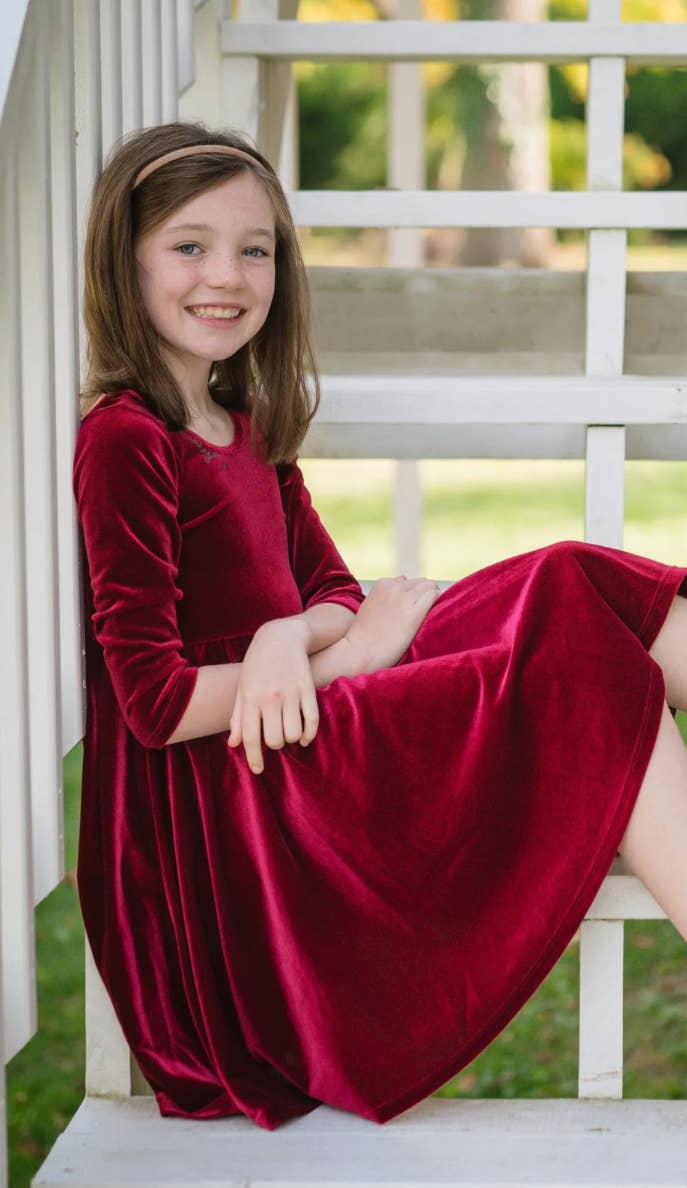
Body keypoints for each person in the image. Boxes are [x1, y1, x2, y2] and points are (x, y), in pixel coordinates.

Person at [73, 119, 687, 1132]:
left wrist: (287, 638)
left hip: (303, 713)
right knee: (579, 644)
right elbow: (154, 704)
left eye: (255, 249)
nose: (226, 275)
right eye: (188, 245)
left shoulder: (245, 425)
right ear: (123, 259)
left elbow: (334, 587)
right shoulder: (125, 441)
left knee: (572, 582)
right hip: (249, 793)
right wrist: (337, 659)